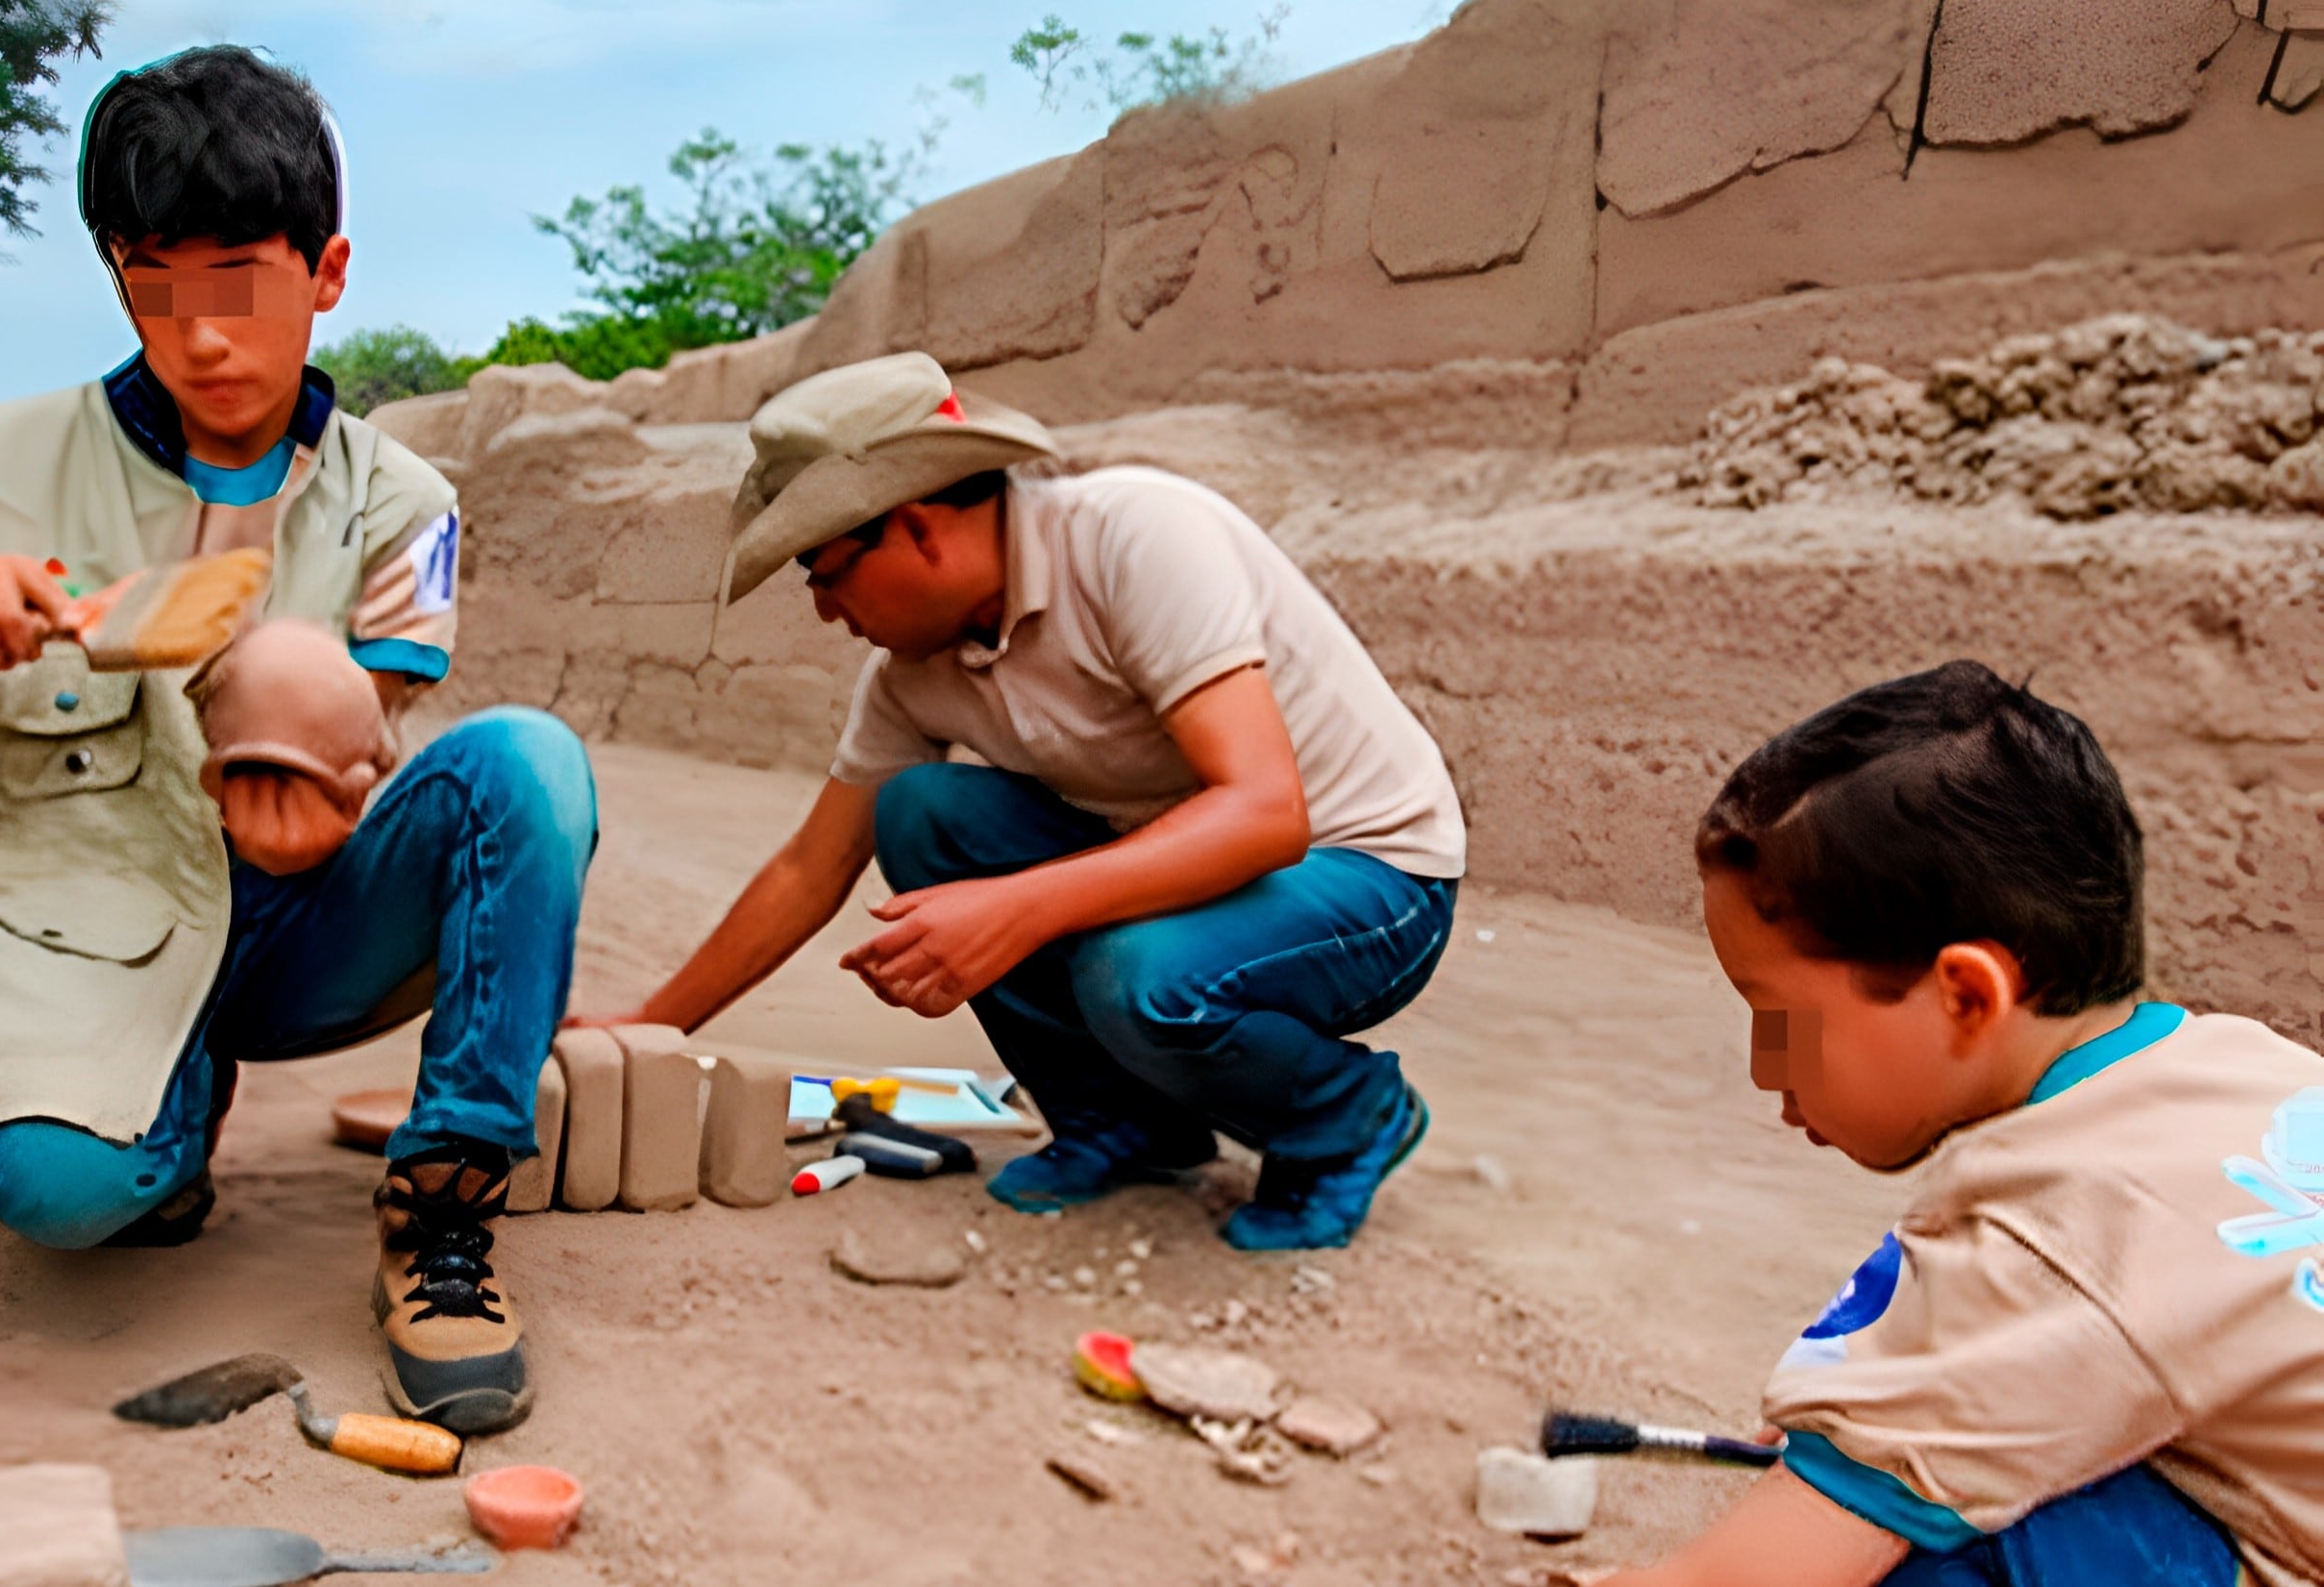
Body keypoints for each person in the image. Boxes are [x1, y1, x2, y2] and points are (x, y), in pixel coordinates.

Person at [0, 47, 595, 1436]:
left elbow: (374, 719)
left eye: (241, 281)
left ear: (326, 272)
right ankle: (164, 1131)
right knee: (65, 1200)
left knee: (527, 767)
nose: (200, 337)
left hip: (302, 923)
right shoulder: (1, 474)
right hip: (93, 933)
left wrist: (307, 766)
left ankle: (443, 1208)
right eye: (154, 282)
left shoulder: (406, 504)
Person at [583, 351, 1466, 1251]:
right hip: (1191, 870)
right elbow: (810, 868)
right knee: (921, 812)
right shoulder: (912, 680)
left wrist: (1012, 910)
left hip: (1373, 876)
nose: (823, 609)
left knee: (1135, 973)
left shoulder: (1135, 537)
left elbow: (1266, 813)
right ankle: (1124, 1124)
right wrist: (647, 1027)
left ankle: (1348, 1116)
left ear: (920, 528)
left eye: (824, 568)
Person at [1605, 659, 2324, 1587]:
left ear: (1963, 994)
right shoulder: (2247, 1064)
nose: (1763, 1065)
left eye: (1775, 1016)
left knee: (1927, 1541)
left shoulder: (2051, 1238)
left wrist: (1874, 1460)